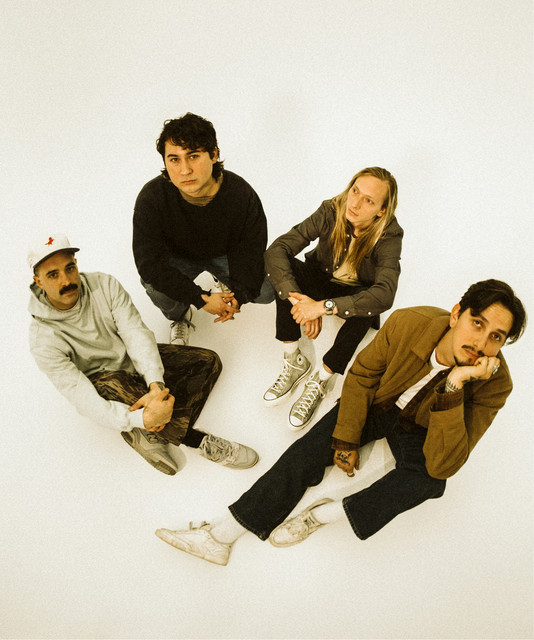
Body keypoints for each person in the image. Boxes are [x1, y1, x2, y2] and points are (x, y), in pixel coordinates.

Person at [154, 279, 526, 564]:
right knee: (305, 455)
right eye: (477, 323)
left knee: (431, 480)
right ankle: (220, 536)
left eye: (496, 337)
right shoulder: (409, 322)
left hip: (423, 428)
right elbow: (363, 375)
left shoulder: (496, 384)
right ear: (457, 313)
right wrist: (346, 438)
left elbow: (446, 463)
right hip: (378, 403)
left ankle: (324, 514)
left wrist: (455, 386)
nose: (481, 343)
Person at [28, 233, 259, 475]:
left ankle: (149, 432)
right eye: (53, 275)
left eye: (69, 268)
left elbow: (135, 333)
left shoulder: (104, 285)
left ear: (76, 264)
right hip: (104, 382)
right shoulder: (43, 339)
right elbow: (82, 397)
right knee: (112, 383)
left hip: (133, 364)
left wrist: (156, 385)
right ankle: (195, 440)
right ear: (38, 281)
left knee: (208, 362)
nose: (66, 280)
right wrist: (140, 419)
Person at [263, 166, 403, 429]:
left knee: (369, 305)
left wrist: (322, 308)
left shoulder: (390, 235)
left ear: (381, 211)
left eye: (368, 200)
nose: (355, 203)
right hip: (319, 279)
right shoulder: (330, 210)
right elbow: (277, 249)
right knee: (285, 271)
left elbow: (385, 293)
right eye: (355, 191)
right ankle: (294, 359)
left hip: (353, 291)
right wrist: (301, 303)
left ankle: (323, 378)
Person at [133, 112, 275, 346]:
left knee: (266, 291)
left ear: (214, 154)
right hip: (178, 259)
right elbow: (149, 264)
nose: (185, 170)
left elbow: (251, 251)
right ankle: (180, 317)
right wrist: (201, 298)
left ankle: (224, 281)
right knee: (152, 284)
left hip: (225, 255)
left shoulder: (240, 194)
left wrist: (239, 296)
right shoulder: (152, 197)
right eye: (174, 159)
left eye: (193, 156)